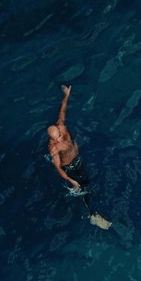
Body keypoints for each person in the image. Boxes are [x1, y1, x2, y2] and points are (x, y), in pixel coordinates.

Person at [47, 85, 111, 229]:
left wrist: (66, 95)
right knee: (81, 189)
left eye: (59, 136)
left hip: (77, 160)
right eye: (55, 139)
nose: (59, 140)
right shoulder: (54, 149)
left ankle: (90, 204)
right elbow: (58, 168)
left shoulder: (61, 126)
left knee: (88, 183)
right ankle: (92, 215)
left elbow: (62, 111)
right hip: (69, 168)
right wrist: (71, 180)